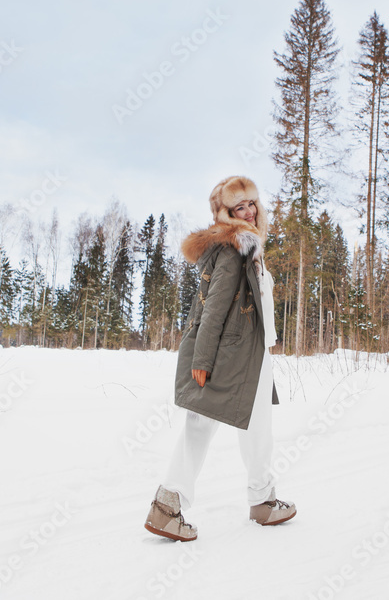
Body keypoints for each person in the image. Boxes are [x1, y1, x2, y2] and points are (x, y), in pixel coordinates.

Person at [144, 175, 296, 542]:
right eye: (238, 207)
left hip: (252, 354)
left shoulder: (251, 248)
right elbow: (211, 308)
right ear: (225, 213)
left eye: (251, 203)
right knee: (200, 425)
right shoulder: (232, 250)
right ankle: (167, 507)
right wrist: (203, 359)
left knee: (259, 426)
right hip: (227, 355)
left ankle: (262, 500)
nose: (248, 211)